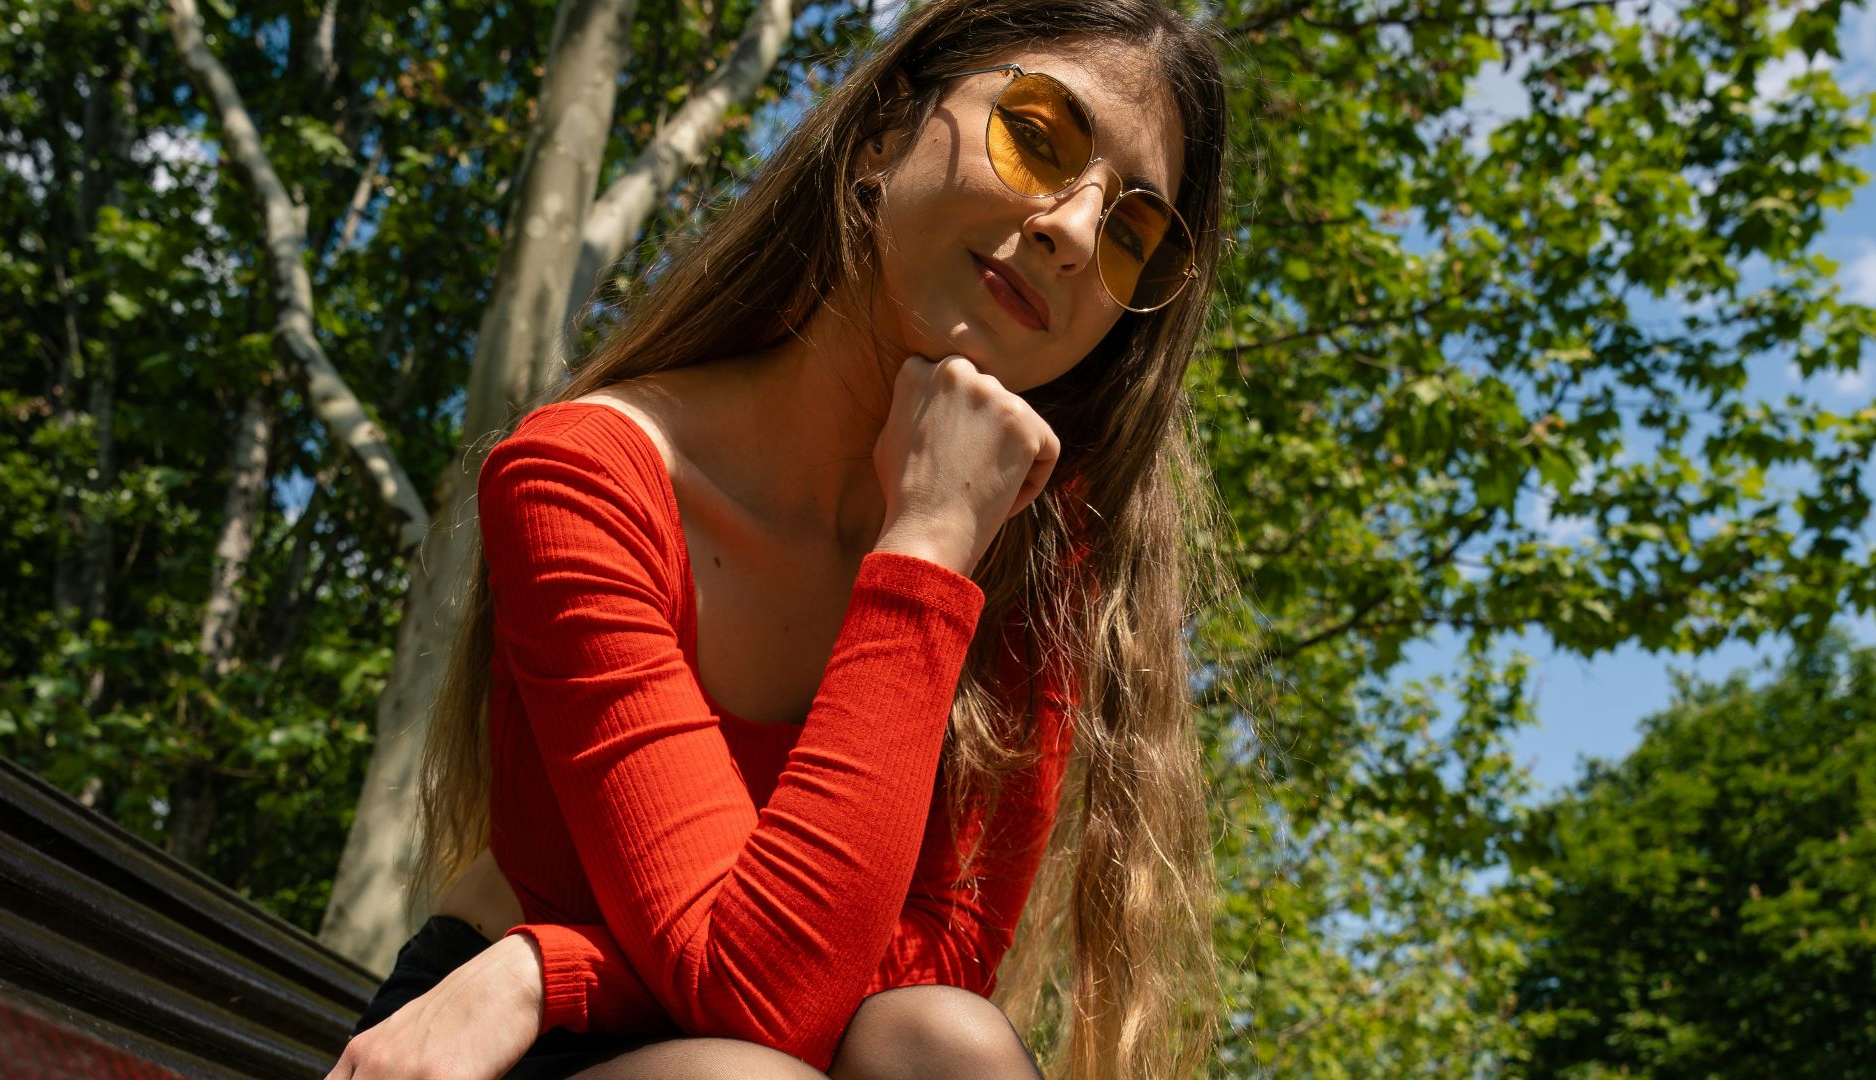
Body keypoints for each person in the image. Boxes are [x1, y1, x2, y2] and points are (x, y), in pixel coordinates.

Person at [325, 0, 1231, 1076]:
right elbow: (760, 1006)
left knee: (947, 1042)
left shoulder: (1041, 570)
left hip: (577, 1003)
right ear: (886, 132)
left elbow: (920, 976)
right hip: (498, 1056)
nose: (1075, 233)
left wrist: (547, 965)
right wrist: (929, 546)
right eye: (1037, 136)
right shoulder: (588, 476)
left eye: (1133, 232)